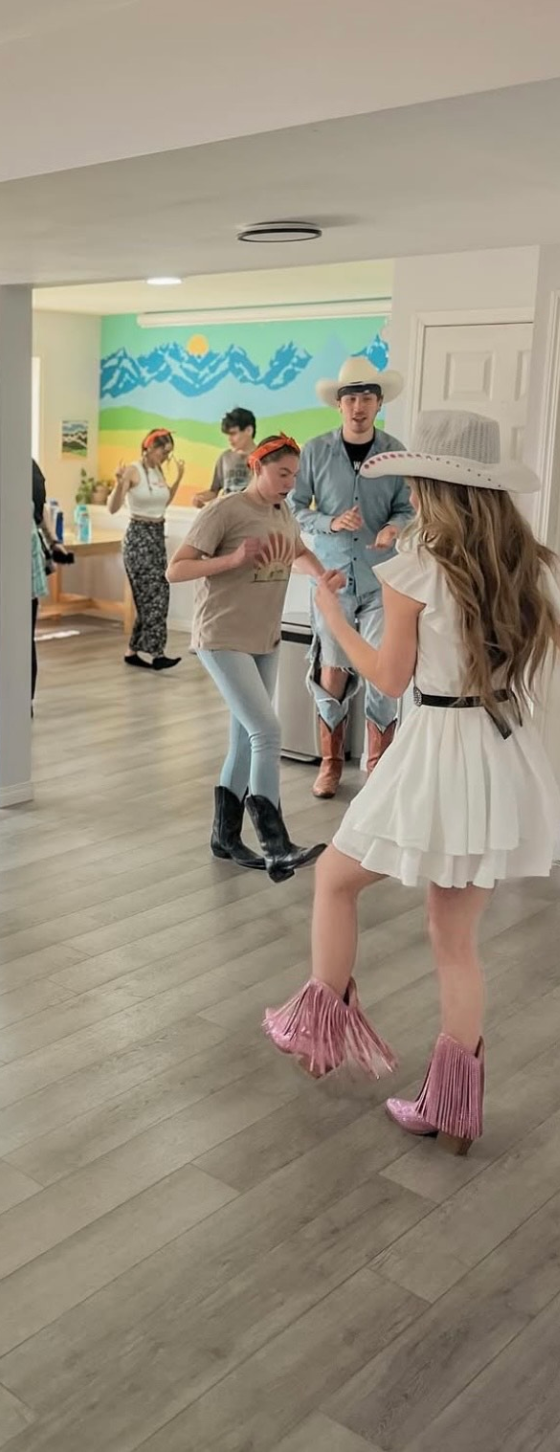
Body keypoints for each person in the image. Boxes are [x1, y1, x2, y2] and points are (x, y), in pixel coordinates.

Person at [262, 410, 560, 1158]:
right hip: (500, 746)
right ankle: (452, 1107)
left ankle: (318, 1030)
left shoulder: (417, 565)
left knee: (333, 879)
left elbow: (389, 677)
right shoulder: (525, 565)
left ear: (432, 484)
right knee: (455, 941)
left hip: (437, 747)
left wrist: (329, 607)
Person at [165, 437, 342, 882]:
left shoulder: (282, 513)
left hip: (264, 636)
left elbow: (297, 552)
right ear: (256, 466)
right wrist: (233, 559)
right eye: (283, 474)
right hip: (222, 636)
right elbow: (177, 569)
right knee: (267, 731)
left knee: (246, 738)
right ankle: (275, 845)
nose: (290, 483)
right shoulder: (225, 511)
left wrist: (323, 578)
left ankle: (225, 838)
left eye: (295, 476)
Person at [292, 356, 413, 798]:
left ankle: (377, 766)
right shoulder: (314, 451)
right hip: (332, 578)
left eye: (366, 398)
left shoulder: (396, 452)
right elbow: (294, 506)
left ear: (378, 403)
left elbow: (407, 506)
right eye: (351, 399)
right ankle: (330, 764)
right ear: (338, 405)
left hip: (383, 579)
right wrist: (329, 522)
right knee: (333, 669)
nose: (358, 406)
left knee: (385, 669)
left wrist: (394, 527)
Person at [0, 458, 67, 698]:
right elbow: (41, 512)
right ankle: (24, 699)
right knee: (25, 633)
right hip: (28, 555)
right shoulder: (31, 467)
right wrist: (54, 542)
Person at [108, 428, 185, 668]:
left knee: (150, 596)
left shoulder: (157, 470)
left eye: (170, 453)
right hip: (138, 538)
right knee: (155, 596)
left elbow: (163, 502)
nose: (166, 457)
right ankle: (157, 654)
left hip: (156, 536)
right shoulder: (134, 470)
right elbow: (112, 507)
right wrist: (120, 483)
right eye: (164, 451)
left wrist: (179, 478)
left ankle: (132, 652)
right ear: (150, 448)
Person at [192, 408, 259, 507]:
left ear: (249, 430)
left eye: (233, 433)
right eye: (228, 435)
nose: (229, 439)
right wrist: (200, 498)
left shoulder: (265, 458)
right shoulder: (224, 458)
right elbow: (214, 491)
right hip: (227, 515)